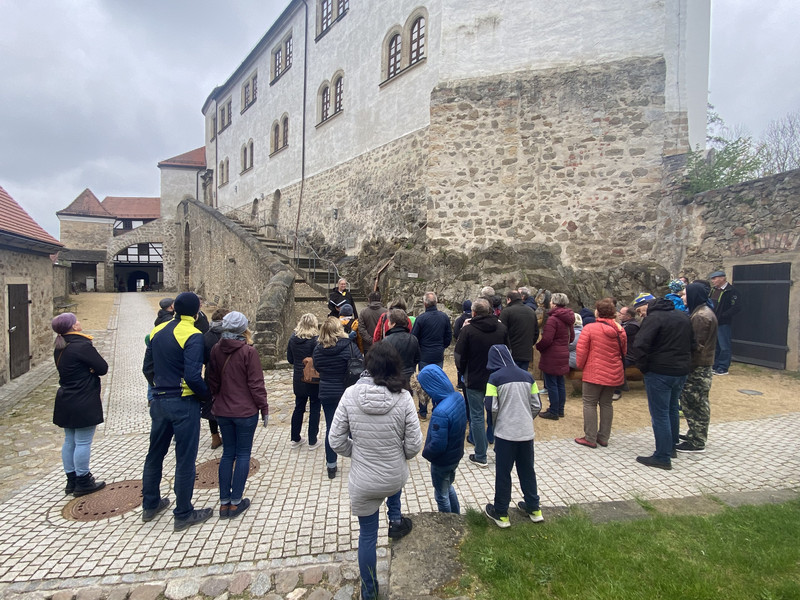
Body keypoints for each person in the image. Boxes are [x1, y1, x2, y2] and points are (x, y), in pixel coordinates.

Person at [329, 342, 423, 600]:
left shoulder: (350, 395)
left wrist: (357, 453)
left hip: (363, 481)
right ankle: (395, 519)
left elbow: (335, 440)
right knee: (393, 486)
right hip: (394, 476)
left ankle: (370, 590)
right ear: (395, 366)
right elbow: (415, 444)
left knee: (368, 536)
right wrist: (396, 456)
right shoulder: (403, 398)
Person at [142, 291, 213, 531]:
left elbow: (146, 368)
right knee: (185, 459)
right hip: (183, 402)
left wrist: (159, 386)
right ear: (196, 311)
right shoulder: (193, 335)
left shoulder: (156, 331)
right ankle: (183, 512)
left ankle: (150, 504)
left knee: (155, 454)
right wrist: (206, 396)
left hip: (160, 401)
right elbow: (193, 376)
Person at [206, 311, 269, 519]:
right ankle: (235, 502)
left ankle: (224, 501)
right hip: (244, 411)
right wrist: (264, 408)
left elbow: (211, 380)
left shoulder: (216, 349)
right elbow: (256, 384)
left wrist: (217, 398)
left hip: (223, 410)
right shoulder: (248, 352)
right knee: (242, 454)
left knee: (227, 455)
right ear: (244, 329)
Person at [482, 345, 543, 527]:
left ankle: (501, 512)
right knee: (527, 470)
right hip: (526, 432)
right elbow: (537, 405)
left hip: (505, 434)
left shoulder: (494, 378)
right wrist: (525, 419)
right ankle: (534, 507)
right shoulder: (528, 376)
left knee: (503, 473)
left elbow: (491, 406)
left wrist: (496, 423)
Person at [633, 296, 694, 470]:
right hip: (681, 370)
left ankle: (662, 456)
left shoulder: (654, 318)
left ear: (649, 306)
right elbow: (694, 343)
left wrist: (644, 367)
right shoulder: (683, 316)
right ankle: (671, 446)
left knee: (660, 414)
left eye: (640, 310)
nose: (641, 313)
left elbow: (640, 345)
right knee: (673, 408)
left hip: (659, 371)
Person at [51, 313, 108, 497]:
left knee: (69, 441)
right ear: (73, 327)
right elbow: (102, 367)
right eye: (76, 321)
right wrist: (91, 370)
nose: (79, 322)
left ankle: (71, 479)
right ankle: (83, 480)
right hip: (83, 398)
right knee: (83, 441)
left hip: (66, 397)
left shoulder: (60, 347)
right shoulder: (81, 346)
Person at [454, 298, 508, 467]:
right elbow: (508, 352)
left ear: (473, 313)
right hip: (498, 378)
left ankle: (481, 455)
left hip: (475, 378)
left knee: (477, 416)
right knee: (499, 414)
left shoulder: (468, 330)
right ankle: (501, 451)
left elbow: (459, 356)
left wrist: (462, 372)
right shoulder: (502, 328)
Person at [313, 317, 363, 479]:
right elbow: (359, 364)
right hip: (347, 391)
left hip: (327, 391)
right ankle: (359, 461)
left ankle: (331, 465)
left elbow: (318, 367)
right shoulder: (349, 346)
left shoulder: (318, 349)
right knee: (353, 428)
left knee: (331, 428)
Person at [573, 299, 627, 449]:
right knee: (606, 403)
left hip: (594, 371)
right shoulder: (619, 329)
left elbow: (582, 351)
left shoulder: (590, 328)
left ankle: (590, 437)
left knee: (589, 403)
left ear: (598, 312)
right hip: (614, 371)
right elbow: (624, 351)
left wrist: (580, 366)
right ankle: (603, 437)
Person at [418, 365, 467, 514]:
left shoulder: (441, 412)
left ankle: (448, 524)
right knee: (448, 486)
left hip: (442, 461)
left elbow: (438, 445)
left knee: (441, 495)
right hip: (455, 456)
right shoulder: (457, 397)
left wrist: (426, 453)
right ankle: (457, 517)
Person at [676, 282, 718, 453]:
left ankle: (697, 440)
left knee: (695, 402)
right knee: (696, 401)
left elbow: (696, 344)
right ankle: (695, 433)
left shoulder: (700, 316)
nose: (682, 297)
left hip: (698, 366)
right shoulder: (701, 312)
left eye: (685, 294)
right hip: (701, 364)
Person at [411, 292, 452, 418]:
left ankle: (423, 411)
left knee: (423, 382)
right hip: (438, 353)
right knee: (438, 380)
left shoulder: (421, 318)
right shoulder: (444, 317)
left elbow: (414, 337)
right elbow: (448, 336)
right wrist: (441, 347)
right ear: (436, 302)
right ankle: (437, 409)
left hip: (424, 355)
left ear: (425, 304)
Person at [536, 293, 575, 420]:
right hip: (563, 352)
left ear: (553, 303)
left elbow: (547, 339)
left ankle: (553, 411)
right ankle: (560, 410)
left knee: (552, 383)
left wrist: (539, 347)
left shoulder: (553, 319)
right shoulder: (569, 319)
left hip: (552, 355)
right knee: (560, 383)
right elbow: (572, 337)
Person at [286, 313, 322, 450]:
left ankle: (295, 438)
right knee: (314, 408)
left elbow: (290, 359)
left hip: (298, 378)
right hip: (313, 379)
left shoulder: (293, 338)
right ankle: (312, 440)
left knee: (299, 407)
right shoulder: (315, 340)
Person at [203, 308, 230, 450]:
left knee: (211, 406)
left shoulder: (206, 336)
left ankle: (215, 437)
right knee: (226, 405)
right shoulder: (229, 336)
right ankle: (227, 435)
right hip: (227, 374)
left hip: (210, 374)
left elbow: (203, 358)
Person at [709, 270, 741, 376]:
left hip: (723, 322)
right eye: (712, 279)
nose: (713, 281)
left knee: (724, 345)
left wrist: (723, 316)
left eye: (715, 278)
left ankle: (723, 367)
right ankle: (715, 365)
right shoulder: (713, 290)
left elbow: (736, 307)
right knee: (716, 345)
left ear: (722, 278)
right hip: (713, 321)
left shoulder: (732, 291)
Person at [499, 290, 539, 371]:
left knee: (511, 379)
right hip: (526, 352)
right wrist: (529, 344)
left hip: (510, 353)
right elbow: (536, 333)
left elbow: (501, 332)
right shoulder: (531, 311)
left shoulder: (506, 312)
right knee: (522, 379)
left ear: (509, 299)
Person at [382, 309, 420, 385]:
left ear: (393, 324)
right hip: (408, 376)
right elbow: (417, 358)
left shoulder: (386, 341)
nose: (388, 324)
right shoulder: (413, 339)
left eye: (389, 322)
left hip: (392, 377)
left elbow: (383, 362)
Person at [612, 304, 640, 400]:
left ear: (628, 316)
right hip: (624, 353)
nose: (619, 315)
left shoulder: (632, 326)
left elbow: (617, 335)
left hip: (631, 356)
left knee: (617, 365)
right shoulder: (625, 324)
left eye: (621, 313)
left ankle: (617, 390)